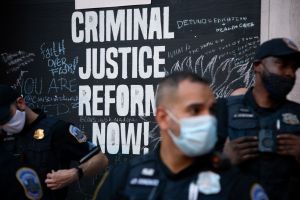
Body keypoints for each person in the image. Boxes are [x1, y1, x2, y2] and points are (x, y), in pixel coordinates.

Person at [93, 71, 267, 200]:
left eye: (212, 110)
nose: (208, 118)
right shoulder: (123, 178)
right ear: (163, 118)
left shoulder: (236, 184)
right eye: (195, 110)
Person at [216, 38, 300, 200]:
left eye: (294, 67)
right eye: (281, 64)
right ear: (258, 66)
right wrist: (224, 160)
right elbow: (192, 169)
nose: (290, 73)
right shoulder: (224, 109)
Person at [0, 84, 108, 200]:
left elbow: (101, 159)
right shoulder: (4, 134)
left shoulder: (57, 130)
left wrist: (75, 173)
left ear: (20, 103)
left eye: (5, 118)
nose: (4, 125)